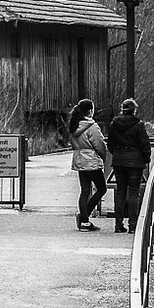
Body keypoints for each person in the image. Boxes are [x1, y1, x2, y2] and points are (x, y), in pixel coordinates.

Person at [106, 99, 153, 233]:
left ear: (122, 109)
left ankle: (118, 225)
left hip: (119, 161)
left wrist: (118, 154)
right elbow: (145, 144)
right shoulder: (138, 125)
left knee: (120, 192)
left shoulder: (114, 124)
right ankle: (133, 226)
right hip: (135, 162)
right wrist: (145, 159)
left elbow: (110, 144)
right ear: (134, 110)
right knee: (133, 193)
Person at [68, 99, 109, 231]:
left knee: (85, 190)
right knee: (102, 189)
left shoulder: (74, 125)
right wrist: (104, 157)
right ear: (90, 111)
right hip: (91, 161)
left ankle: (84, 221)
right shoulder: (92, 126)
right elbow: (100, 145)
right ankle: (83, 218)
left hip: (79, 159)